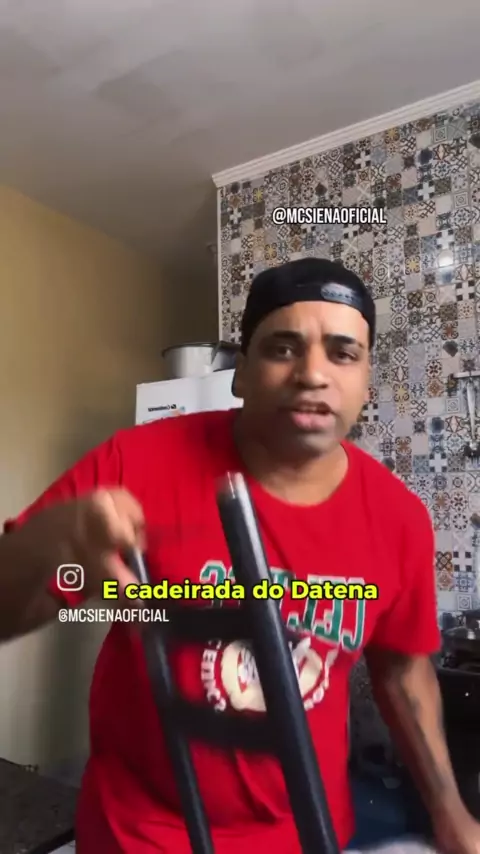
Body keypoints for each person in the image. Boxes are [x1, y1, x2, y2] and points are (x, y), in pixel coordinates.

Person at [1, 258, 479, 854]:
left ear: (366, 379)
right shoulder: (132, 464)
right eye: (283, 348)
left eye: (342, 353)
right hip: (139, 837)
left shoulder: (399, 519)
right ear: (241, 374)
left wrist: (449, 812)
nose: (312, 374)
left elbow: (403, 671)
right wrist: (56, 540)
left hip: (307, 835)